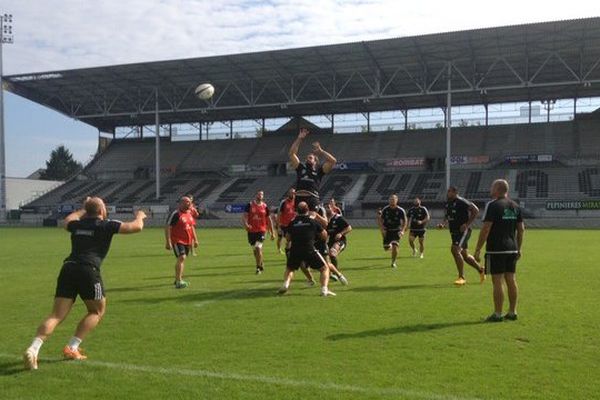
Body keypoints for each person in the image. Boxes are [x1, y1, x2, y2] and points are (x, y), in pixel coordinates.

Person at [23, 197, 146, 370]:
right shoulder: (106, 225)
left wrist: (84, 209)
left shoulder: (77, 225)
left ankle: (33, 348)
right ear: (103, 211)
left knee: (56, 316)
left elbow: (67, 220)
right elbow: (136, 227)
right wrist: (140, 215)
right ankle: (72, 347)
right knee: (96, 311)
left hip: (68, 268)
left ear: (86, 211)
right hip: (88, 271)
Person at [474, 179, 525, 322]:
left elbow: (486, 228)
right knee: (511, 279)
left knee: (497, 281)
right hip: (512, 249)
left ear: (497, 189)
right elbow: (521, 229)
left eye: (492, 186)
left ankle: (497, 313)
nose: (490, 189)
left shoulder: (493, 205)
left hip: (496, 249)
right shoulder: (515, 206)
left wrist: (478, 249)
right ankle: (512, 312)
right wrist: (519, 248)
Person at [278, 202, 336, 297]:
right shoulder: (312, 221)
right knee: (324, 268)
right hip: (309, 249)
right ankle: (324, 290)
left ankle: (286, 284)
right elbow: (324, 235)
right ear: (308, 210)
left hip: (295, 249)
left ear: (297, 211)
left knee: (290, 269)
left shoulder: (293, 222)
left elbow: (287, 237)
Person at [438, 186, 485, 285]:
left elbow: (475, 210)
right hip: (454, 232)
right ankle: (481, 270)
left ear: (455, 192)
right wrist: (443, 224)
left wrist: (467, 224)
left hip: (463, 231)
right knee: (465, 256)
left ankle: (461, 277)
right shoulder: (448, 204)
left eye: (449, 192)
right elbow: (447, 216)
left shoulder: (461, 201)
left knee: (455, 249)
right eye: (448, 192)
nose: (448, 193)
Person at [288, 128, 336, 211]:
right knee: (299, 218)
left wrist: (321, 151)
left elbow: (333, 161)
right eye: (307, 158)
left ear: (315, 161)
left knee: (311, 218)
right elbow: (292, 154)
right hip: (299, 198)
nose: (307, 159)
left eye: (310, 158)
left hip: (312, 198)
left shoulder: (319, 171)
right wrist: (299, 138)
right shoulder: (300, 167)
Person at [165, 196, 198, 289]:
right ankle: (179, 281)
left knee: (182, 259)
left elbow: (191, 227)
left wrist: (195, 240)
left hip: (187, 241)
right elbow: (168, 227)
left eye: (189, 202)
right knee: (182, 257)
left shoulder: (189, 213)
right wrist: (168, 241)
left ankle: (177, 279)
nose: (189, 203)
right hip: (177, 240)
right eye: (187, 202)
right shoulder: (176, 214)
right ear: (181, 203)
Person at [242, 190, 274, 274]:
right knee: (255, 250)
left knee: (258, 248)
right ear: (255, 195)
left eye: (262, 194)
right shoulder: (249, 205)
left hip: (262, 230)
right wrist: (246, 224)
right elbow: (245, 216)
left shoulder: (265, 206)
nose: (260, 195)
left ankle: (258, 268)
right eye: (259, 194)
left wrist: (272, 232)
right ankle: (261, 263)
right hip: (251, 230)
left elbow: (268, 219)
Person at [377, 194, 407, 269]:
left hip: (396, 231)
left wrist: (403, 231)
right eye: (390, 199)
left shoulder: (400, 210)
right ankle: (389, 246)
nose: (392, 201)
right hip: (387, 231)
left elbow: (405, 220)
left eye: (393, 199)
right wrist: (382, 229)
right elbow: (380, 219)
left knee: (395, 245)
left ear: (397, 200)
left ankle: (393, 262)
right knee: (386, 248)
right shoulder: (385, 209)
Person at [326, 204, 352, 284]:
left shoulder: (338, 218)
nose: (327, 209)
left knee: (332, 253)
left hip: (340, 241)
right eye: (326, 208)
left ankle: (335, 274)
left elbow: (349, 228)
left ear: (332, 208)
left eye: (329, 207)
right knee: (324, 259)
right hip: (329, 241)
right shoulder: (323, 220)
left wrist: (341, 233)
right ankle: (331, 273)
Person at [276, 188, 296, 255]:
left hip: (293, 225)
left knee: (290, 240)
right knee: (280, 238)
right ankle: (279, 249)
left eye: (293, 193)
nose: (292, 194)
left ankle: (290, 252)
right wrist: (278, 226)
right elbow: (279, 214)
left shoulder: (296, 202)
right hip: (284, 225)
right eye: (291, 193)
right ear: (288, 194)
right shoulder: (284, 202)